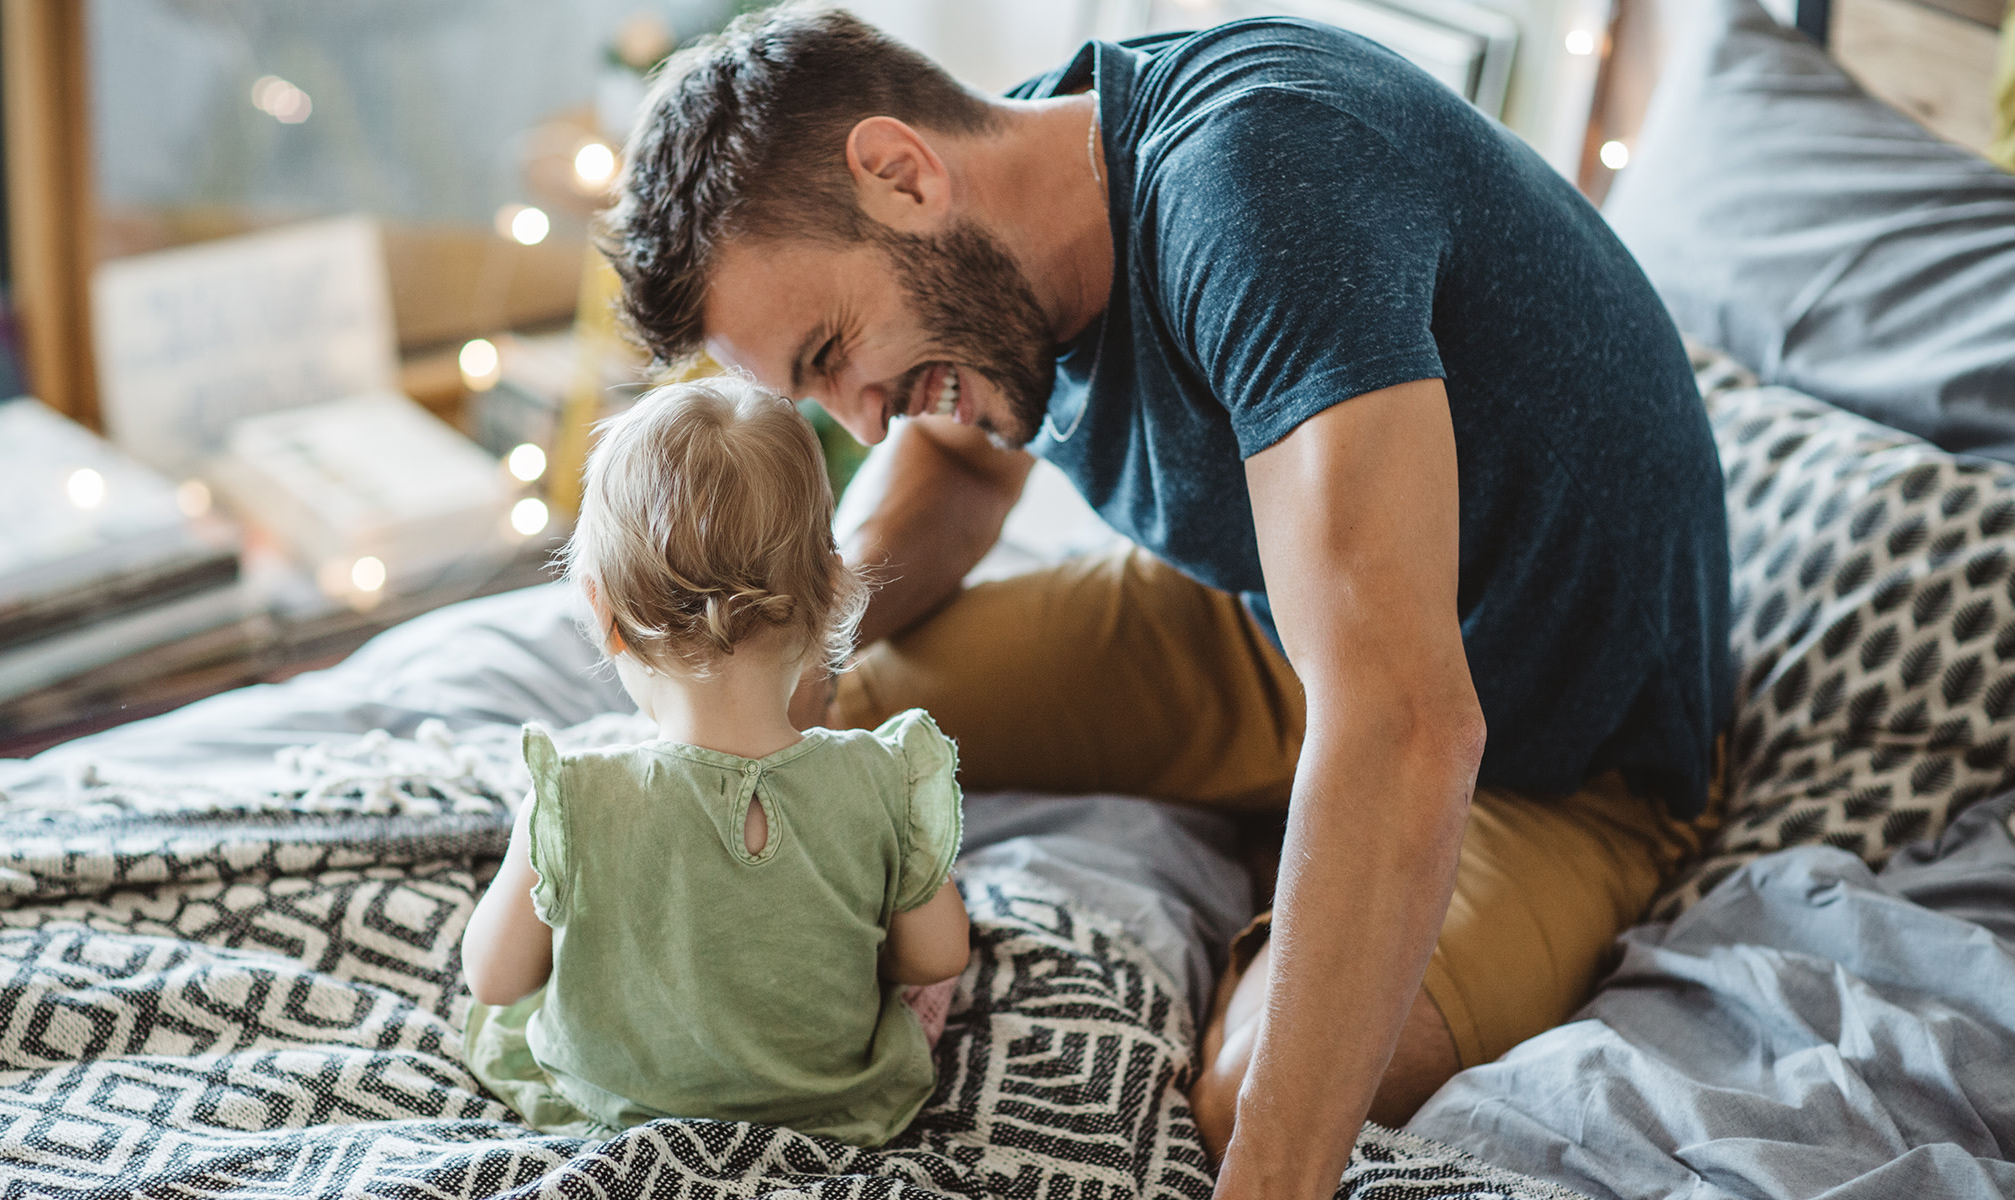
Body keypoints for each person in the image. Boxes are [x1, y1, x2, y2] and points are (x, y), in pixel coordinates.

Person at [596, 6, 1732, 1199]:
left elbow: (1406, 725)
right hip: (1259, 623)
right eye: (815, 390)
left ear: (901, 173)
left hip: (1550, 757)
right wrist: (793, 652)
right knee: (788, 729)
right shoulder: (1018, 198)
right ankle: (1261, 839)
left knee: (1247, 1107)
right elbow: (965, 466)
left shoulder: (1258, 187)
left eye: (833, 349)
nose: (865, 419)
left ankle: (1282, 871)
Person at [459, 374, 971, 1146]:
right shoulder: (885, 780)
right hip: (833, 1114)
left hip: (613, 1104)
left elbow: (495, 980)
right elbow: (938, 954)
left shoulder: (573, 796)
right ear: (830, 596)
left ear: (604, 615)